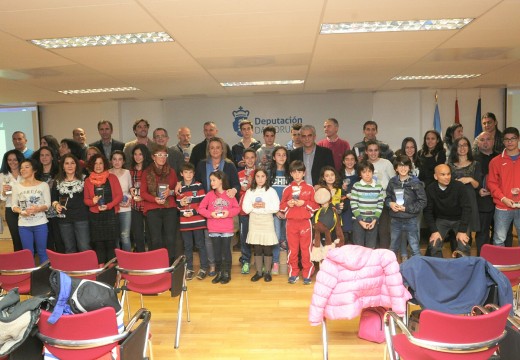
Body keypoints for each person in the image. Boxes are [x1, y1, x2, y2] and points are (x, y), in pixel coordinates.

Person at [195, 136, 240, 276]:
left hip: (225, 207)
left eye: (218, 147)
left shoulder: (229, 164)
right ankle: (213, 266)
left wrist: (234, 190)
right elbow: (196, 183)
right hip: (207, 205)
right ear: (208, 149)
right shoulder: (202, 164)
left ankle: (226, 270)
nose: (215, 150)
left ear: (223, 150)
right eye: (212, 147)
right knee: (209, 238)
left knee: (225, 242)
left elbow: (236, 184)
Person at [197, 171, 240, 285]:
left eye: (214, 180)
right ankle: (220, 272)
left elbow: (237, 209)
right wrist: (211, 214)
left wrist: (228, 213)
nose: (211, 183)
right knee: (217, 252)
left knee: (226, 251)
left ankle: (227, 273)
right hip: (214, 228)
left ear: (221, 180)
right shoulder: (210, 195)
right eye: (210, 180)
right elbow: (200, 208)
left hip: (226, 228)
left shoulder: (229, 194)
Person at [280, 160, 319, 285]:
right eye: (294, 172)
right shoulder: (287, 189)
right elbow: (281, 206)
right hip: (291, 223)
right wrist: (288, 204)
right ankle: (294, 272)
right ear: (291, 173)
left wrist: (305, 203)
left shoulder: (310, 188)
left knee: (306, 249)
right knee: (293, 249)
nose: (297, 175)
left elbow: (315, 206)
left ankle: (307, 271)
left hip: (305, 223)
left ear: (304, 173)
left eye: (300, 172)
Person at [423, 164, 472, 257]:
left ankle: (464, 269)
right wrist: (434, 231)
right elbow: (427, 211)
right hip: (441, 219)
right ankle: (439, 269)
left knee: (463, 245)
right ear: (435, 176)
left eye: (448, 174)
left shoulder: (459, 186)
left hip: (460, 219)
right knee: (434, 245)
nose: (447, 177)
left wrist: (462, 231)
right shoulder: (430, 189)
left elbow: (467, 208)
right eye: (443, 174)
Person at [140, 145, 179, 262]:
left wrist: (170, 192)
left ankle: (171, 263)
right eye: (159, 155)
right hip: (153, 208)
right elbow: (142, 192)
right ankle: (157, 262)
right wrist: (154, 199)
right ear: (153, 157)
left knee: (170, 238)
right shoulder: (146, 172)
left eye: (164, 155)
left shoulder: (171, 171)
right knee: (156, 239)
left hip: (169, 208)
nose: (162, 158)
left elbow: (176, 190)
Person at [83, 154, 123, 264]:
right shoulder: (87, 181)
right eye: (95, 163)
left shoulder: (112, 177)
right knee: (98, 245)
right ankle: (101, 272)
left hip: (111, 215)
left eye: (100, 163)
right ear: (92, 165)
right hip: (95, 217)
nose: (98, 166)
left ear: (104, 164)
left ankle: (112, 272)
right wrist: (93, 202)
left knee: (111, 244)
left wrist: (109, 205)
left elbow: (119, 195)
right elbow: (86, 200)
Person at [242, 168, 280, 283]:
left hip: (267, 221)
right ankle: (259, 272)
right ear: (254, 178)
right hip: (254, 221)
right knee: (257, 248)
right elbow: (245, 208)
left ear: (266, 177)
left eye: (262, 176)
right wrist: (254, 206)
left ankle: (267, 272)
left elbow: (276, 208)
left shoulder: (271, 191)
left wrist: (263, 206)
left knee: (267, 248)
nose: (260, 179)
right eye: (257, 176)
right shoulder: (250, 191)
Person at [385, 155, 427, 259]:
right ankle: (391, 270)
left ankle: (417, 271)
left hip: (411, 220)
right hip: (395, 219)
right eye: (400, 166)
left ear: (409, 167)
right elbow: (387, 197)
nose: (403, 168)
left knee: (414, 247)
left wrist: (406, 208)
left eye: (405, 166)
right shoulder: (392, 182)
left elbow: (423, 202)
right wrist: (390, 204)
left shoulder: (416, 182)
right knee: (393, 246)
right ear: (396, 168)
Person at [11, 158, 51, 263]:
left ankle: (44, 276)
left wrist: (38, 209)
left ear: (34, 169)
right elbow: (13, 205)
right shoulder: (16, 186)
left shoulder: (43, 185)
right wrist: (21, 211)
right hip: (24, 225)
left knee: (42, 252)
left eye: (26, 167)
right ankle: (30, 277)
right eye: (21, 168)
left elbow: (47, 204)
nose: (23, 170)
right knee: (28, 253)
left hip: (41, 223)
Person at [487, 127, 520, 247]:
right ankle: (499, 266)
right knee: (499, 240)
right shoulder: (495, 161)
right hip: (503, 207)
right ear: (503, 141)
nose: (510, 142)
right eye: (507, 139)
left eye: (513, 139)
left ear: (518, 139)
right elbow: (492, 183)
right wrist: (503, 198)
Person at [52, 154, 91, 253]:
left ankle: (86, 268)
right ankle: (72, 268)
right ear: (63, 166)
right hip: (64, 218)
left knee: (84, 246)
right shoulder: (57, 181)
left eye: (72, 163)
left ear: (76, 165)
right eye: (67, 163)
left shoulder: (85, 179)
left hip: (82, 217)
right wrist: (56, 205)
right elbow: (54, 199)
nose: (70, 166)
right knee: (69, 247)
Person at [176, 162, 208, 281]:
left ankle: (204, 268)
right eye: (186, 172)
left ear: (194, 173)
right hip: (185, 222)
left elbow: (203, 203)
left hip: (198, 221)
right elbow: (178, 206)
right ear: (181, 174)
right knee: (188, 246)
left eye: (190, 172)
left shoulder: (199, 185)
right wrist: (181, 204)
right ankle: (189, 269)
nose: (188, 175)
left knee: (200, 245)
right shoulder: (179, 188)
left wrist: (194, 212)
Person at [448, 136, 482, 246]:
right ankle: (458, 258)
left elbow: (478, 185)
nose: (462, 148)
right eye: (459, 145)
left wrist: (470, 179)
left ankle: (465, 259)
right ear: (455, 148)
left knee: (466, 233)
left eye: (465, 145)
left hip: (469, 200)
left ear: (469, 147)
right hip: (454, 201)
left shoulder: (476, 164)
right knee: (455, 233)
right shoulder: (450, 165)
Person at [473, 131, 499, 255]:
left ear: (493, 142)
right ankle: (482, 260)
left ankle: (500, 261)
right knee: (482, 233)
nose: (485, 142)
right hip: (482, 201)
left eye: (488, 139)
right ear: (478, 143)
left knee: (500, 234)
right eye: (482, 140)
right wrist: (478, 190)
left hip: (500, 202)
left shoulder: (500, 157)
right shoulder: (472, 159)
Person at [32, 146, 62, 252]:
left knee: (59, 238)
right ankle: (49, 264)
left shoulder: (59, 172)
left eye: (47, 155)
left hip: (56, 210)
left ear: (52, 157)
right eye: (42, 155)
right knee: (47, 240)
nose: (44, 157)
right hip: (41, 211)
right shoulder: (35, 174)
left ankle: (61, 263)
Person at [365, 140, 394, 249]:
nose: (373, 153)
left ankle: (384, 255)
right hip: (367, 203)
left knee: (384, 231)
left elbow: (393, 181)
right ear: (366, 152)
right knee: (371, 231)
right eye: (370, 150)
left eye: (376, 150)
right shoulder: (364, 165)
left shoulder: (386, 163)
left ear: (379, 151)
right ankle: (371, 257)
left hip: (383, 201)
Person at [350, 161, 384, 249]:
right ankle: (359, 263)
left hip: (373, 221)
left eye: (369, 171)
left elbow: (380, 205)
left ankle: (369, 263)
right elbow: (353, 204)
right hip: (358, 221)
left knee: (371, 247)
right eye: (364, 172)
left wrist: (374, 220)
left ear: (373, 172)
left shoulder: (378, 187)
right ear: (360, 174)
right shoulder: (356, 186)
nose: (367, 174)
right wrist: (361, 221)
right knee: (358, 246)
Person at [269, 146, 291, 275]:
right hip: (274, 212)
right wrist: (276, 211)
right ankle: (275, 262)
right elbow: (267, 195)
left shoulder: (290, 173)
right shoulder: (269, 173)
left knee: (287, 237)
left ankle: (289, 262)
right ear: (273, 157)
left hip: (288, 211)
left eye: (284, 155)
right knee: (276, 236)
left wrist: (286, 210)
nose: (281, 157)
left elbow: (293, 193)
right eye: (278, 154)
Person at [129, 144, 152, 252]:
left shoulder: (150, 170)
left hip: (148, 204)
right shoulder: (130, 171)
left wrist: (144, 196)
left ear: (145, 155)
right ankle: (140, 255)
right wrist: (130, 190)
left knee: (150, 232)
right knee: (137, 233)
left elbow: (153, 188)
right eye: (135, 154)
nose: (137, 157)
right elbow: (128, 186)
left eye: (140, 154)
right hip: (135, 205)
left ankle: (152, 256)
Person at [237, 148, 256, 275]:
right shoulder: (238, 174)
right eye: (247, 157)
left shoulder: (260, 173)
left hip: (257, 211)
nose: (249, 160)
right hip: (243, 212)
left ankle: (263, 262)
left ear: (256, 158)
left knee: (259, 237)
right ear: (243, 159)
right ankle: (245, 261)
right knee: (244, 237)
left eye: (252, 157)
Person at [0, 150, 24, 251]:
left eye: (15, 159)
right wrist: (4, 193)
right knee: (16, 237)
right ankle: (19, 261)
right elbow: (2, 197)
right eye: (9, 160)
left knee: (27, 236)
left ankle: (31, 260)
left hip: (26, 209)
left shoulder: (26, 173)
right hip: (11, 209)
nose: (12, 162)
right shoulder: (2, 176)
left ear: (20, 160)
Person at [109, 151, 132, 251]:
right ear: (111, 161)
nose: (117, 162)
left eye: (120, 159)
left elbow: (132, 189)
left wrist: (130, 198)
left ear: (123, 161)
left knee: (125, 236)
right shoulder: (107, 174)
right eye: (114, 159)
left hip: (126, 208)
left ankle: (128, 261)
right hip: (112, 208)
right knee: (115, 237)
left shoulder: (127, 173)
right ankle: (116, 261)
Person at [339, 150, 359, 244]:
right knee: (345, 232)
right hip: (344, 207)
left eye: (352, 159)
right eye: (347, 159)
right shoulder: (338, 175)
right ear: (343, 161)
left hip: (358, 205)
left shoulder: (360, 175)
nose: (349, 162)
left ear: (355, 161)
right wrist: (342, 189)